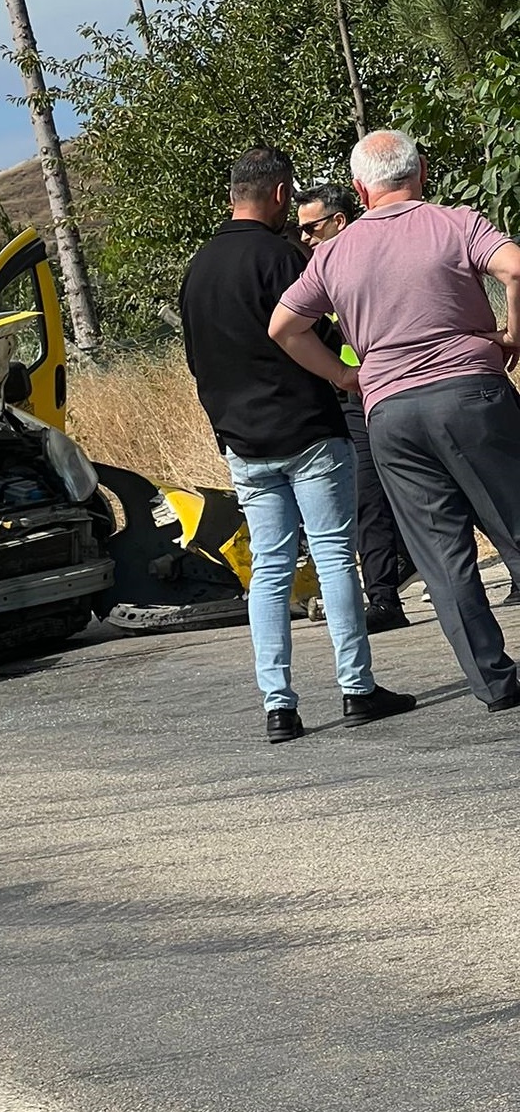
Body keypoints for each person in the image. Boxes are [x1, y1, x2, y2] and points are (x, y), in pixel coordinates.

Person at [270, 128, 520, 713]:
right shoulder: (455, 223)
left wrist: (345, 376)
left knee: (441, 553)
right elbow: (515, 269)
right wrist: (512, 337)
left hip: (390, 413)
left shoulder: (332, 252)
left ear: (359, 189)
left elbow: (283, 327)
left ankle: (494, 682)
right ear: (422, 171)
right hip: (470, 392)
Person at [180, 146, 414, 744]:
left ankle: (278, 705)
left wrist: (225, 430)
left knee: (269, 569)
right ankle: (357, 688)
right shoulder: (284, 257)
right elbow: (323, 329)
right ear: (281, 194)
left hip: (243, 442)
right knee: (335, 555)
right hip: (307, 430)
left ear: (233, 193)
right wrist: (344, 373)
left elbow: (197, 362)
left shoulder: (198, 268)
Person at [297, 184, 415, 633]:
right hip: (354, 397)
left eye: (312, 227)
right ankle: (384, 600)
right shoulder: (316, 273)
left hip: (397, 386)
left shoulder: (369, 260)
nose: (305, 237)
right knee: (369, 499)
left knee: (452, 482)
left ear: (339, 222)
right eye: (300, 229)